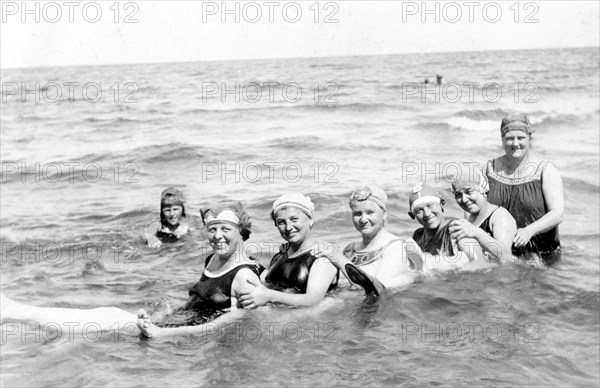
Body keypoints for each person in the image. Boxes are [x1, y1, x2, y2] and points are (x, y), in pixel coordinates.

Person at [1, 202, 262, 339]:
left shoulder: (244, 275)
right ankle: (17, 315)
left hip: (177, 334)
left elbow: (227, 324)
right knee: (100, 324)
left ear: (242, 233)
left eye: (225, 230)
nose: (217, 236)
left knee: (103, 320)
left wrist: (164, 333)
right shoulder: (214, 261)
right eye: (212, 229)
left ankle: (14, 312)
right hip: (170, 323)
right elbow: (199, 302)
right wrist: (164, 314)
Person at [483, 112, 564, 265]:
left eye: (520, 138)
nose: (515, 143)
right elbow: (476, 210)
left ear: (530, 138)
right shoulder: (489, 169)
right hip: (501, 257)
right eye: (509, 138)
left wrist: (529, 231)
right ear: (502, 139)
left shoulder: (545, 170)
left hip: (542, 256)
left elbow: (557, 214)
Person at [238, 193, 339, 309]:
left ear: (310, 220)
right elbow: (262, 284)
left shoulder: (322, 257)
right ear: (276, 225)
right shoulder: (281, 255)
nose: (288, 227)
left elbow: (313, 299)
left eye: (294, 219)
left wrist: (270, 296)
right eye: (281, 222)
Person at [319, 186, 422, 296]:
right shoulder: (349, 249)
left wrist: (338, 258)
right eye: (357, 214)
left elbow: (378, 289)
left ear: (384, 215)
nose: (363, 219)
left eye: (369, 212)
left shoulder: (395, 247)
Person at [407, 182, 490, 272]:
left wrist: (442, 266)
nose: (427, 214)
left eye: (430, 205)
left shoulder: (456, 228)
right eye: (419, 211)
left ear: (441, 204)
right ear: (412, 215)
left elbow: (481, 264)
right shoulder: (418, 236)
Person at [448, 170, 517, 263]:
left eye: (469, 192)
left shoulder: (500, 216)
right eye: (458, 195)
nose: (464, 200)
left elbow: (506, 257)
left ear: (483, 190)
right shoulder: (469, 216)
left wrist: (477, 233)